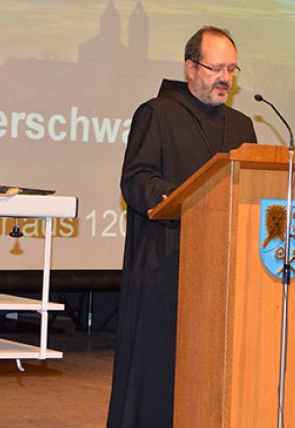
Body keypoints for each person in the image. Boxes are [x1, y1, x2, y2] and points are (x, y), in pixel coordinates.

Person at [106, 26, 258, 428]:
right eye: (216, 68)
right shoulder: (157, 114)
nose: (225, 78)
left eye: (231, 69)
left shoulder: (242, 126)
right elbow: (136, 180)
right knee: (161, 374)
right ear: (191, 68)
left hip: (223, 269)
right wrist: (182, 197)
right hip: (166, 265)